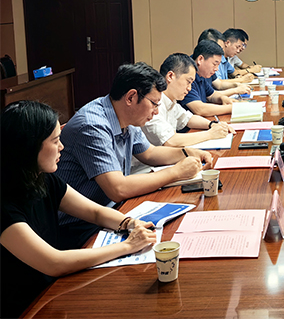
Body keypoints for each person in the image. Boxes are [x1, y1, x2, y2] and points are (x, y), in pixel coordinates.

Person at [1, 101, 157, 318]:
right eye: (55, 141)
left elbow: (95, 212)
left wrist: (129, 223)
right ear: (28, 146)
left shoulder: (43, 179)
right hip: (25, 307)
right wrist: (128, 246)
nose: (62, 147)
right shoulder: (5, 204)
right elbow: (54, 263)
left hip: (53, 291)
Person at [56, 62, 212, 247]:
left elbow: (150, 153)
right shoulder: (92, 126)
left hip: (110, 212)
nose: (156, 112)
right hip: (78, 226)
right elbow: (118, 189)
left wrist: (186, 152)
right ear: (131, 97)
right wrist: (176, 172)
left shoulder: (125, 115)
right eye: (154, 104)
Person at [142, 53, 234, 147]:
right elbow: (170, 141)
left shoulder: (171, 101)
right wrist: (210, 134)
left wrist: (212, 124)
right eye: (188, 82)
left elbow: (188, 119)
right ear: (170, 76)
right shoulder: (153, 104)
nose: (189, 88)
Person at [181, 40, 241, 116]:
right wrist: (233, 108)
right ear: (200, 59)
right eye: (215, 64)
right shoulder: (186, 76)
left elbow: (211, 95)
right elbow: (200, 109)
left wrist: (222, 98)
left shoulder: (201, 74)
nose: (217, 69)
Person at [197, 28, 253, 92]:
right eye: (219, 48)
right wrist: (241, 81)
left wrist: (237, 85)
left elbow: (218, 85)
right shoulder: (193, 70)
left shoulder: (219, 59)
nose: (216, 69)